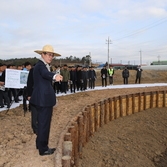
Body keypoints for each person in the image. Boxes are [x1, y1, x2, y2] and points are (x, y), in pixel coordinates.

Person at [30, 45, 63, 156]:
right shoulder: (40, 65)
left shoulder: (42, 65)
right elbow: (45, 74)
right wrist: (55, 76)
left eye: (52, 55)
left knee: (42, 123)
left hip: (42, 99)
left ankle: (40, 144)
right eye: (48, 54)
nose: (51, 57)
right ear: (42, 54)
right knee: (44, 124)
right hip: (43, 100)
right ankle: (43, 149)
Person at [27, 64, 38, 134]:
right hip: (33, 94)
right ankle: (35, 128)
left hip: (42, 95)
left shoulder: (46, 70)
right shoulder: (33, 71)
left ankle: (39, 126)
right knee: (34, 112)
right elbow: (29, 83)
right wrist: (29, 95)